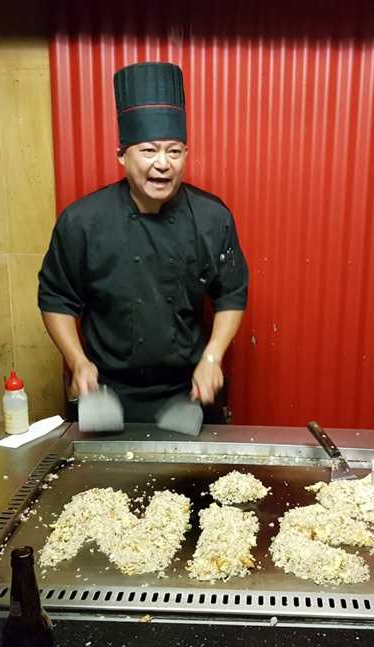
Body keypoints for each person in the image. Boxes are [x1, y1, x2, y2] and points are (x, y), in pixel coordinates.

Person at [38, 61, 248, 430]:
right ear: (122, 155)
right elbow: (57, 298)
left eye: (175, 151)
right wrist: (78, 361)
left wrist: (213, 357)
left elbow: (231, 294)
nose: (163, 164)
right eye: (149, 150)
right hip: (107, 392)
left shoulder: (213, 218)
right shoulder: (83, 221)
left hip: (188, 392)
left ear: (186, 154)